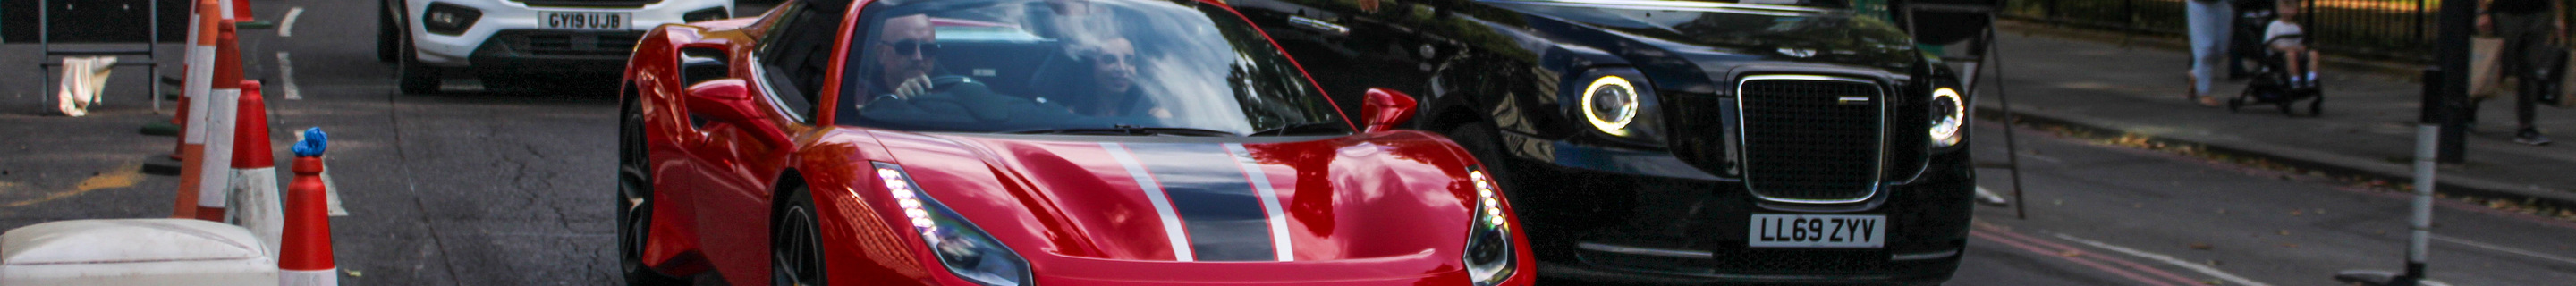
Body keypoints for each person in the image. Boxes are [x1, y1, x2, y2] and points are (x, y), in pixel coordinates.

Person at [2480, 0, 2559, 145]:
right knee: (2501, 66)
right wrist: (2484, 11)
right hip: (2507, 11)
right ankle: (2471, 103)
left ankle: (2526, 126)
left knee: (2530, 70)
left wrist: (2556, 16)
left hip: (2539, 11)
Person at [1068, 38, 1171, 118]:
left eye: (1129, 61)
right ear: (1092, 67)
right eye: (1110, 60)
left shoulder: (1156, 119)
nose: (1122, 68)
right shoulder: (1069, 118)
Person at [858, 14, 945, 107]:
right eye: (906, 47)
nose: (918, 57)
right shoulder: (859, 97)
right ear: (881, 53)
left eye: (928, 49)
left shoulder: (951, 95)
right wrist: (893, 105)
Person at [2186, 0, 2234, 106]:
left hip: (2221, 4)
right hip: (2199, 5)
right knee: (2205, 49)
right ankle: (2204, 93)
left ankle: (2196, 73)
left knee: (2221, 49)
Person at [2264, 0, 2318, 88]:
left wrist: (2301, 48)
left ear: (2295, 10)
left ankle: (2311, 78)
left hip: (2294, 51)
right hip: (2278, 53)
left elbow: (2299, 43)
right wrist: (2284, 49)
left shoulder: (2296, 27)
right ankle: (2294, 80)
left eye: (2290, 9)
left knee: (2313, 54)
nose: (2287, 11)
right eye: (2284, 8)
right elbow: (2269, 43)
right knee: (2291, 55)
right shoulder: (2274, 25)